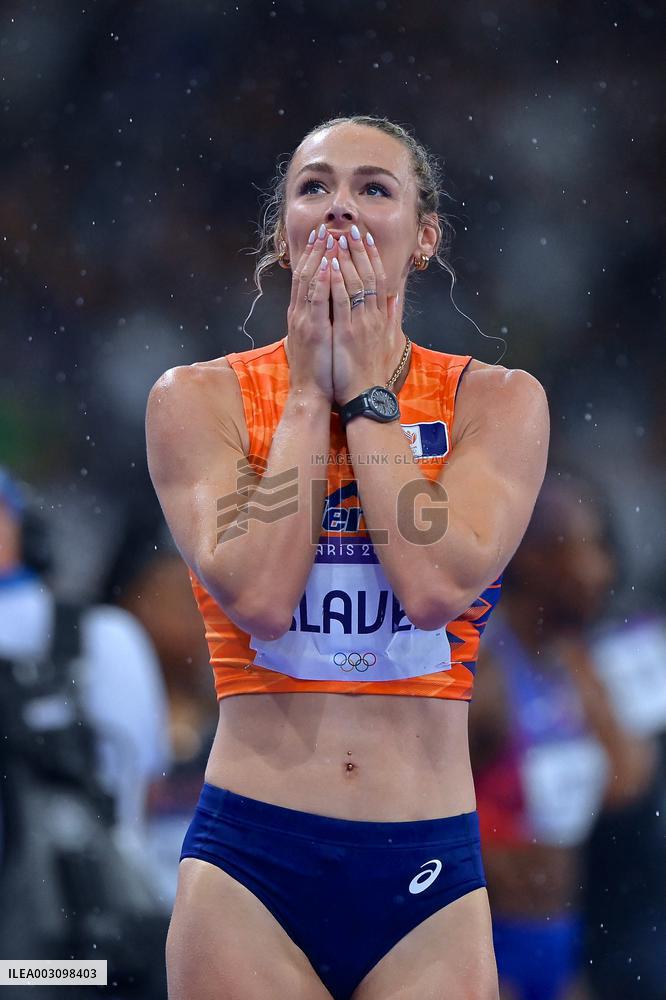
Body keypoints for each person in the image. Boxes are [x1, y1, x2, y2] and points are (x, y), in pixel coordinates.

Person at [146, 115, 550, 1000]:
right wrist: (304, 390)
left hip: (425, 868)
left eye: (374, 188)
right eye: (314, 187)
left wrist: (368, 392)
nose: (340, 209)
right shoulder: (198, 398)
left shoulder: (498, 403)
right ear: (283, 233)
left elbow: (435, 585)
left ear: (423, 238)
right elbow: (257, 595)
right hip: (251, 864)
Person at [469, 473, 657, 1000]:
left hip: (559, 941)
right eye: (587, 549)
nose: (605, 570)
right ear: (534, 559)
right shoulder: (489, 677)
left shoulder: (572, 663)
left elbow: (628, 783)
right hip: (489, 950)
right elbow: (414, 818)